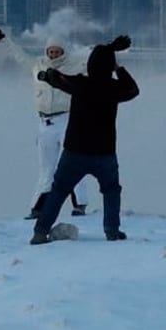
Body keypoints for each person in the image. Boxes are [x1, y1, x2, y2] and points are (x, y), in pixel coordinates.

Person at [29, 38, 139, 245]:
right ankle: (112, 230)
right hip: (104, 153)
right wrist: (118, 68)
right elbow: (133, 89)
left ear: (90, 65)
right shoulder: (114, 88)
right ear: (110, 67)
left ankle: (40, 232)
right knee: (111, 191)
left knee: (58, 190)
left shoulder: (80, 84)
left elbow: (56, 78)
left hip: (75, 152)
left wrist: (45, 74)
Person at [0, 23, 98, 219]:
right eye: (51, 51)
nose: (54, 55)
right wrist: (3, 40)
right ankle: (37, 208)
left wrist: (111, 49)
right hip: (45, 124)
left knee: (72, 163)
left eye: (57, 51)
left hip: (67, 121)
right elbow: (18, 54)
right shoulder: (37, 65)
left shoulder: (74, 67)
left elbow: (96, 58)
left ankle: (80, 204)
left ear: (64, 51)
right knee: (46, 169)